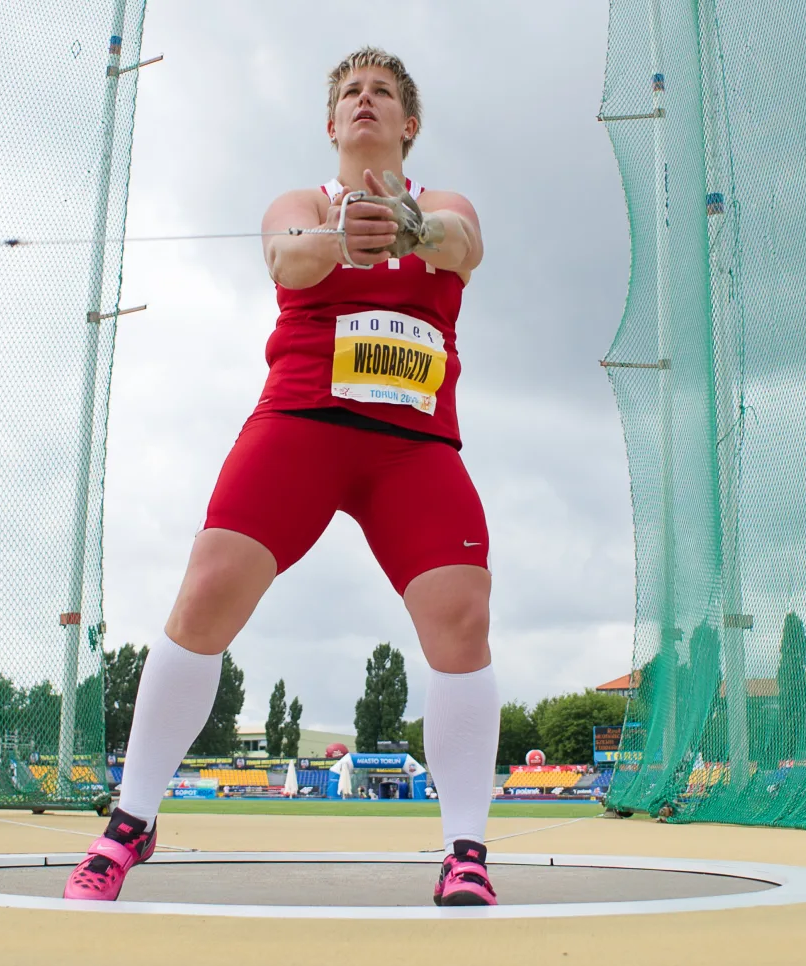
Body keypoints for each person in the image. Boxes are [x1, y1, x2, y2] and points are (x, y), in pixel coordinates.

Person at [64, 47, 500, 908]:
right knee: (209, 590)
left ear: (407, 125)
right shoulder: (304, 204)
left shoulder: (442, 205)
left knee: (462, 615)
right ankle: (132, 820)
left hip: (411, 445)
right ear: (331, 125)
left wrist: (406, 227)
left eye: (381, 93)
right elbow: (287, 259)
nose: (365, 102)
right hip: (302, 422)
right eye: (350, 94)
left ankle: (465, 849)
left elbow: (465, 244)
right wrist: (343, 234)